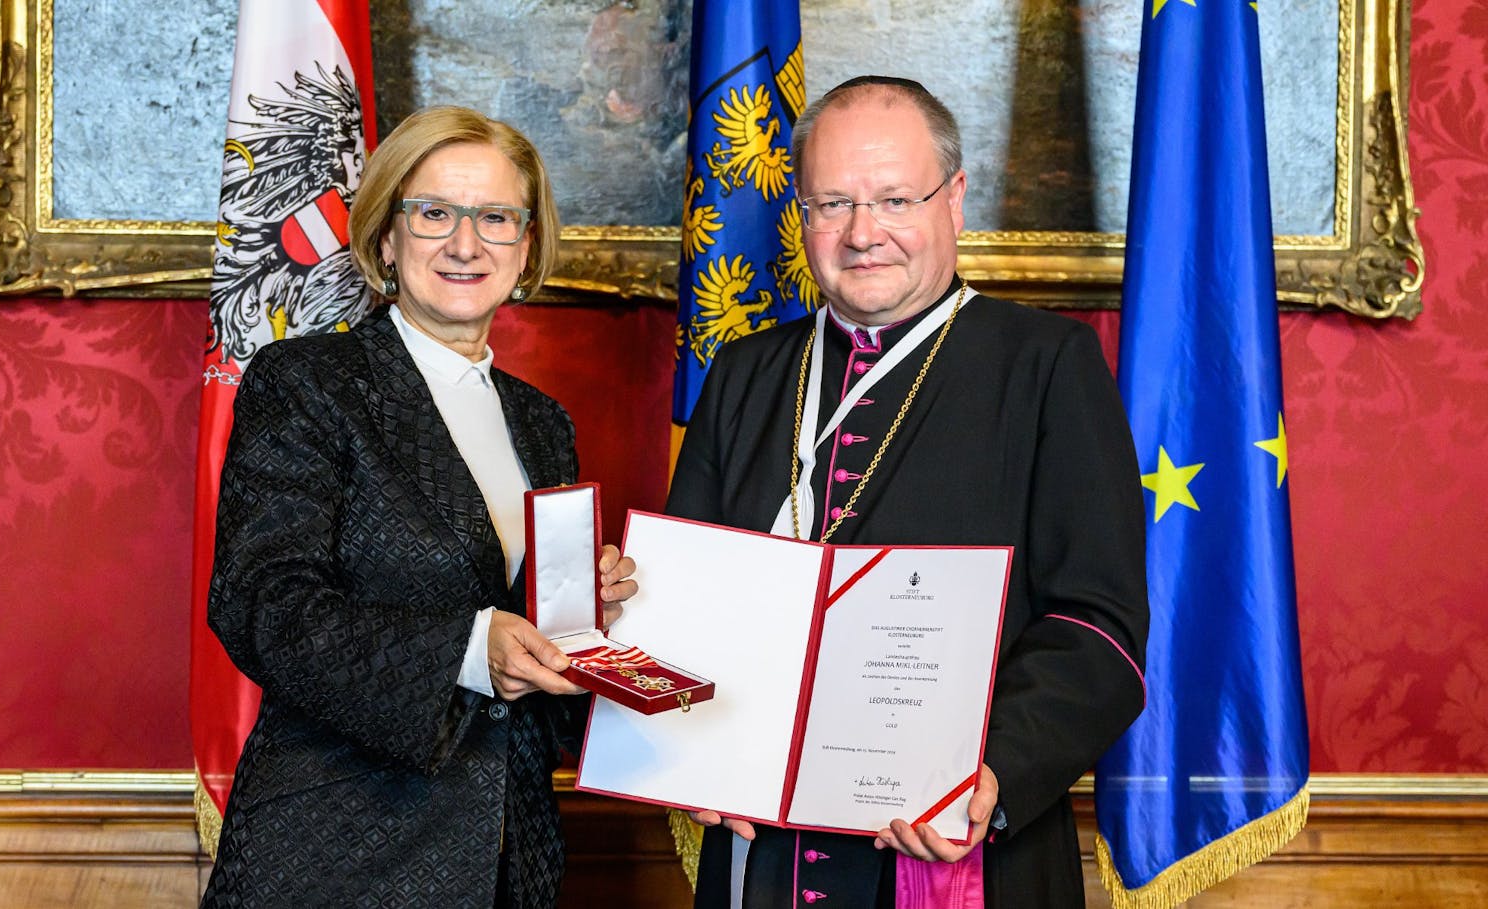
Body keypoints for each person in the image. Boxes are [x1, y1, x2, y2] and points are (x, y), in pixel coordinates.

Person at [669, 76, 1150, 908]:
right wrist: (689, 746)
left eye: (895, 198)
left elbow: (1096, 624)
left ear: (954, 200)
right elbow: (688, 602)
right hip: (763, 861)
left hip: (965, 851)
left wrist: (992, 767)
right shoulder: (745, 373)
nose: (863, 234)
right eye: (833, 203)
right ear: (803, 215)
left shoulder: (1046, 366)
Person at [200, 106, 636, 908]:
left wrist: (584, 610)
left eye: (496, 218)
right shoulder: (309, 384)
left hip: (512, 854)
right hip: (337, 856)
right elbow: (261, 605)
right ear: (387, 237)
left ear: (526, 244)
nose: (466, 244)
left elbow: (532, 638)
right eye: (435, 213)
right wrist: (473, 648)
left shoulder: (543, 422)